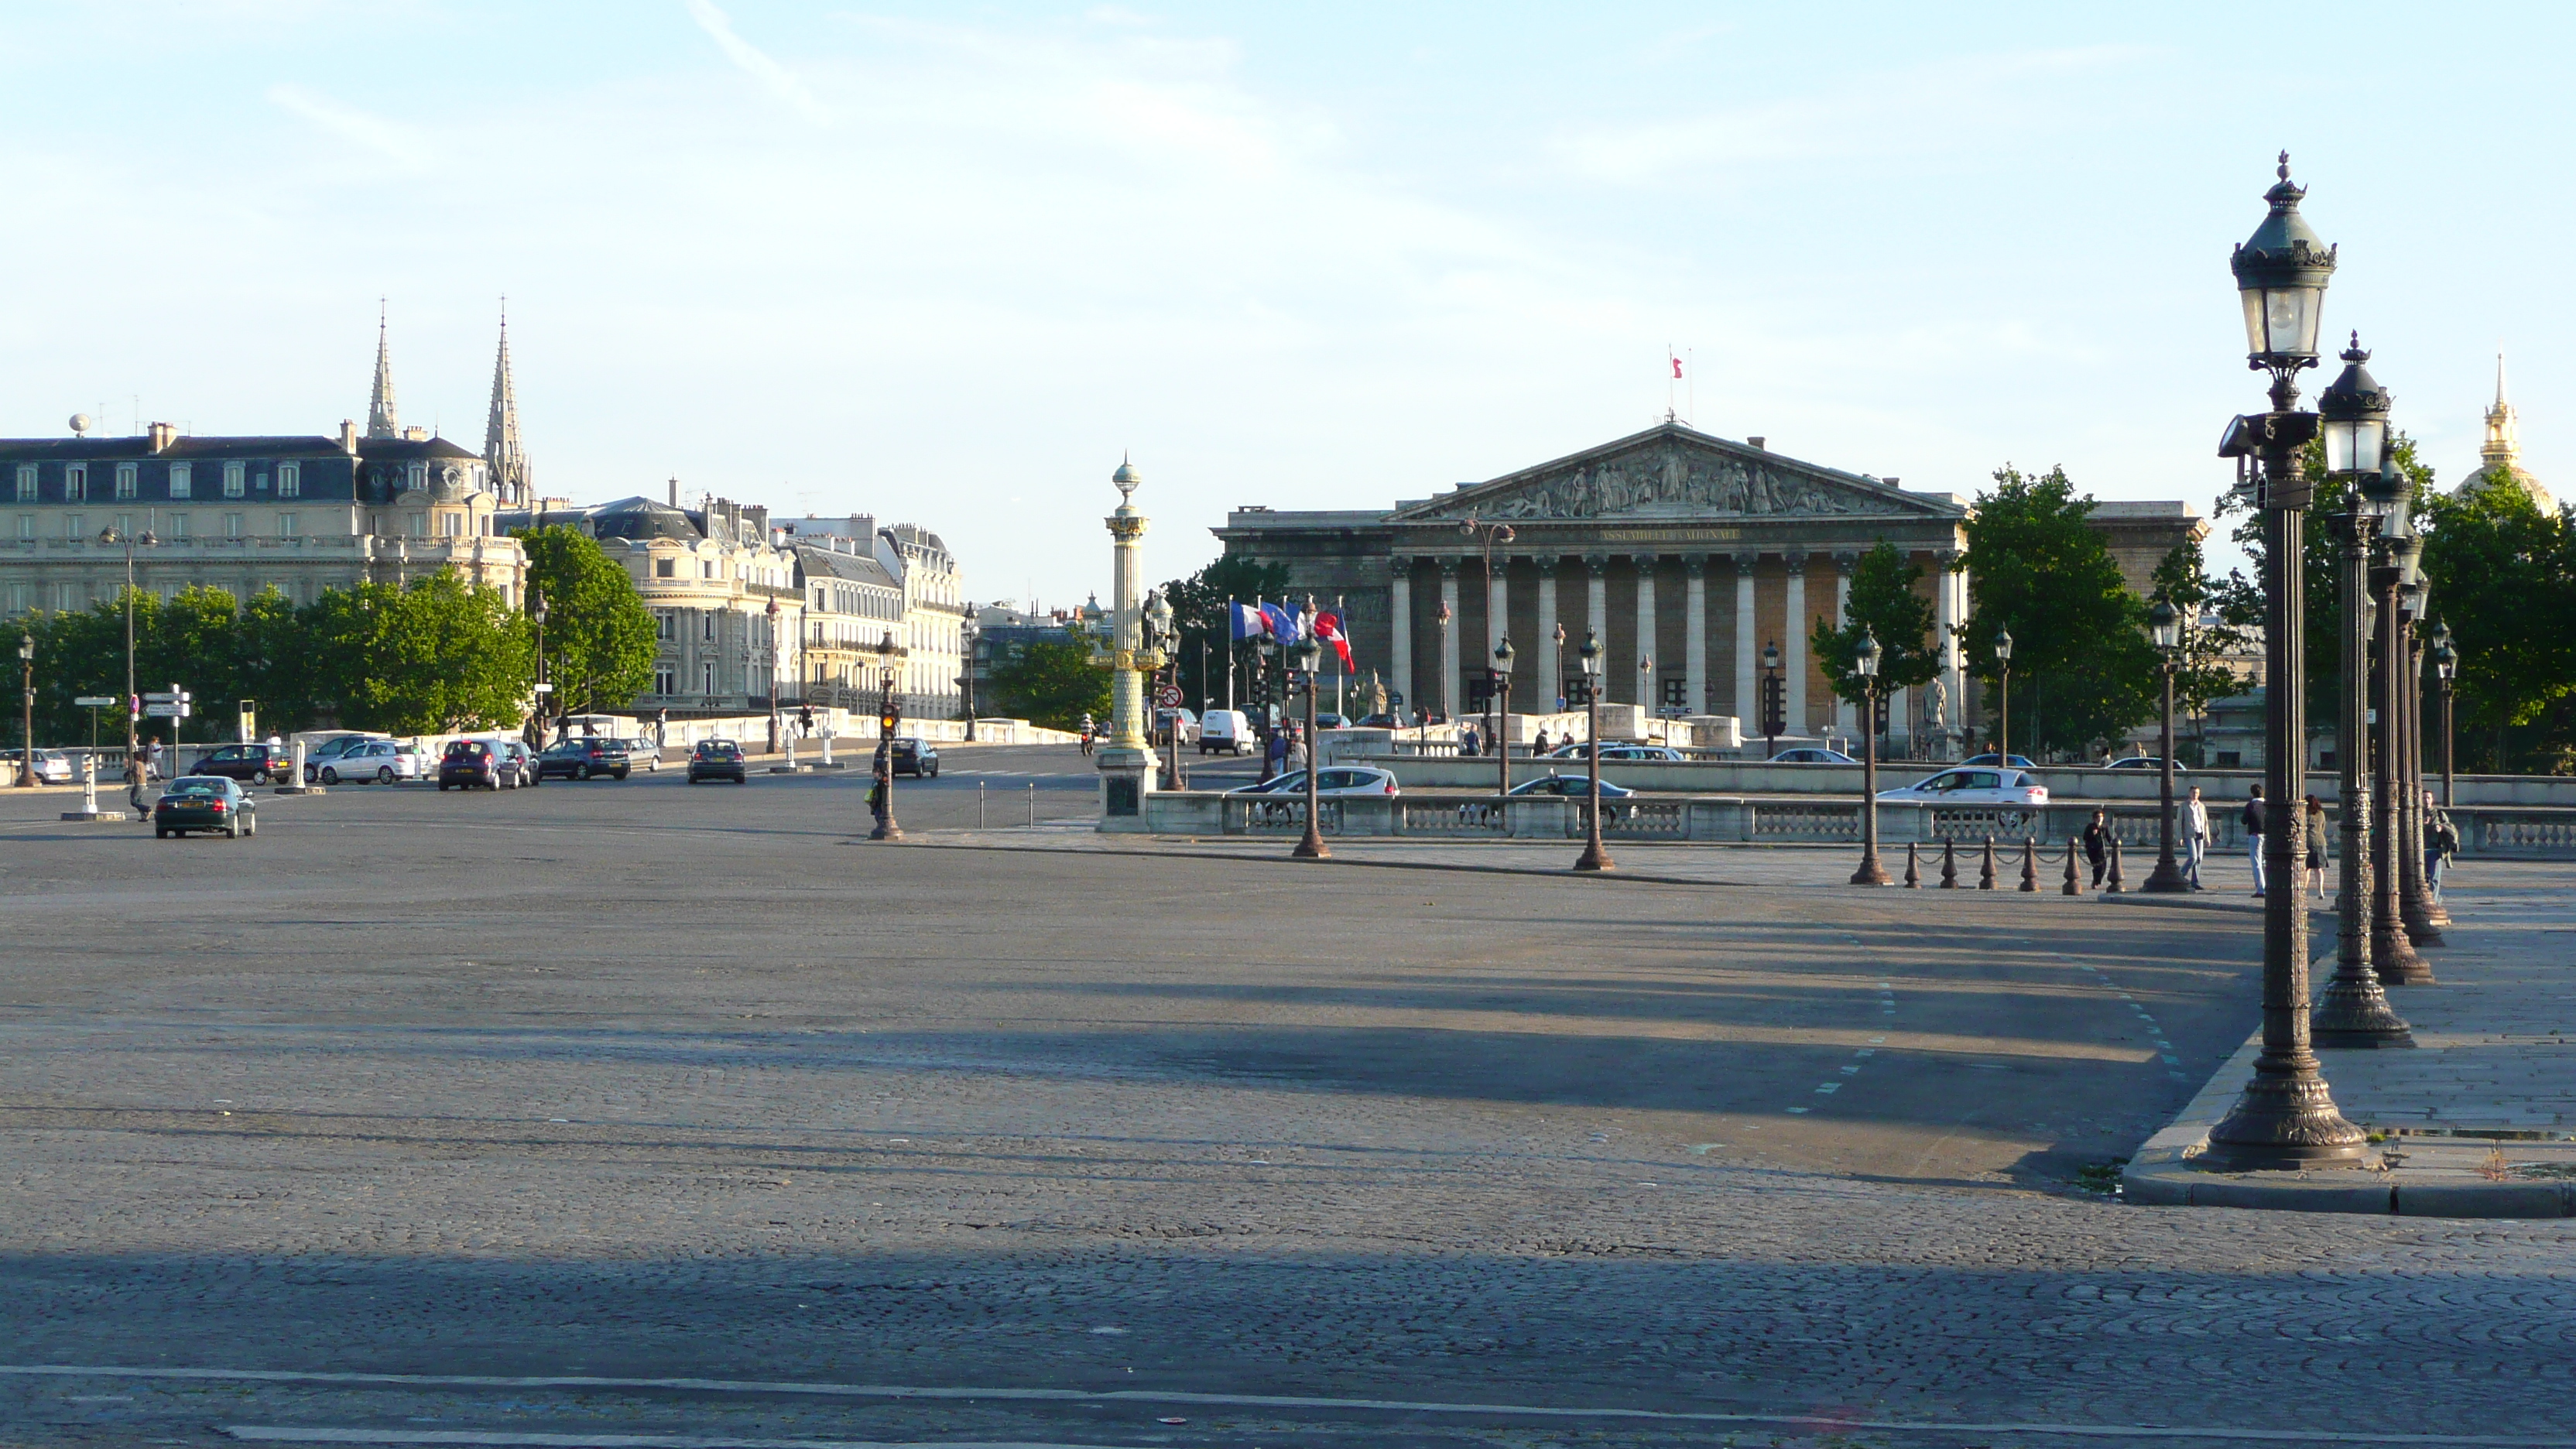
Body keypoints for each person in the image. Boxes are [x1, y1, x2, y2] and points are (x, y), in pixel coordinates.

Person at [2425, 790, 2458, 901]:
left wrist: (2442, 828)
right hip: (2419, 851)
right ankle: (2425, 901)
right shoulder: (2415, 813)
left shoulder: (2438, 814)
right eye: (2424, 798)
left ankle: (2433, 901)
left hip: (2435, 850)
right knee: (2422, 880)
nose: (2426, 801)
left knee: (2434, 879)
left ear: (2432, 799)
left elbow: (2450, 827)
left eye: (2429, 798)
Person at [2182, 785, 2211, 891]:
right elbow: (2180, 821)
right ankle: (2181, 875)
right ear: (2189, 793)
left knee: (2199, 858)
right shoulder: (2184, 806)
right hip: (2189, 834)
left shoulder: (2202, 806)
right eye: (2194, 793)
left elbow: (2205, 822)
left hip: (2200, 834)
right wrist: (2180, 836)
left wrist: (2207, 837)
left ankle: (2195, 881)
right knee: (2193, 857)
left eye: (2197, 793)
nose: (2195, 795)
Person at [2243, 785, 2268, 898]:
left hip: (2255, 835)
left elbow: (2244, 820)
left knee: (2256, 863)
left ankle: (2261, 889)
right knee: (2266, 862)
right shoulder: (2267, 805)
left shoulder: (2251, 805)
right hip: (2268, 836)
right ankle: (2270, 885)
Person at [2303, 794, 2329, 896]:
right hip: (2320, 841)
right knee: (2318, 869)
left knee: (2307, 868)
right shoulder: (2321, 814)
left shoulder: (2306, 815)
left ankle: (2304, 889)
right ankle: (2320, 890)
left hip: (2308, 842)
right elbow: (2323, 827)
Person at [2081, 810, 2110, 887]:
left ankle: (2097, 881)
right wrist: (2093, 834)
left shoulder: (2104, 827)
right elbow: (2085, 837)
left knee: (2103, 867)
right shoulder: (2090, 827)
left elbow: (2108, 837)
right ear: (2094, 818)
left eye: (2101, 817)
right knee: (2097, 867)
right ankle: (2095, 882)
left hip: (2101, 850)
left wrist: (2114, 845)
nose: (2100, 819)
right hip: (2092, 850)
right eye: (2098, 817)